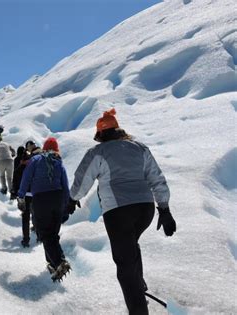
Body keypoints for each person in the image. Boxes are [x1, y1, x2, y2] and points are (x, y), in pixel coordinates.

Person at [68, 108, 176, 314]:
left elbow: (83, 179)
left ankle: (137, 305)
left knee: (124, 266)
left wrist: (73, 199)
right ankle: (138, 286)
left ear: (100, 135)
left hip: (118, 212)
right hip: (145, 209)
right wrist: (164, 208)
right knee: (131, 246)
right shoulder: (139, 148)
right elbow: (157, 178)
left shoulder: (97, 152)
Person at [17, 137, 71, 282]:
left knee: (45, 234)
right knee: (53, 233)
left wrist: (21, 195)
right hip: (58, 198)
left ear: (45, 148)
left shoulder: (36, 160)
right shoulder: (59, 163)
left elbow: (26, 177)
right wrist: (65, 206)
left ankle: (60, 262)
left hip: (41, 199)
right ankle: (53, 265)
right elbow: (65, 185)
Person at [12, 140, 42, 248]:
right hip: (37, 192)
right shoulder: (41, 159)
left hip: (25, 193)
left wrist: (16, 191)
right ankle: (39, 236)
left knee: (25, 216)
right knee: (37, 214)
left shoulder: (24, 160)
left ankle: (26, 240)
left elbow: (17, 174)